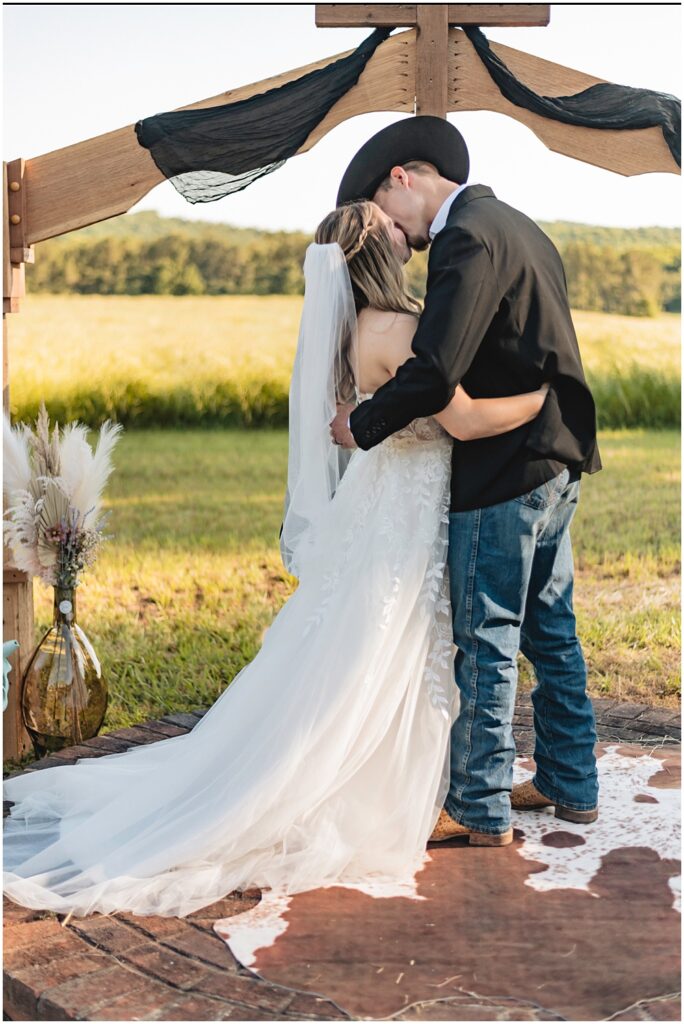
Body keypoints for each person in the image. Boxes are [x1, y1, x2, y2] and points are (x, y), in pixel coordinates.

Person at [3, 199, 550, 921]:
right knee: (387, 654)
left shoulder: (355, 334)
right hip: (407, 522)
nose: (409, 237)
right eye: (395, 233)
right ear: (377, 256)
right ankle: (379, 786)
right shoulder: (404, 331)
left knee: (364, 651)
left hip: (385, 509)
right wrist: (544, 399)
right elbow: (469, 418)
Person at [330, 116, 602, 845]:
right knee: (552, 632)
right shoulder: (519, 225)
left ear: (404, 178)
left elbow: (436, 368)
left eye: (393, 219)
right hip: (557, 462)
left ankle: (478, 806)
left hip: (504, 472)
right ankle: (570, 782)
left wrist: (362, 425)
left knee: (486, 637)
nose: (407, 242)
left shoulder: (466, 238)